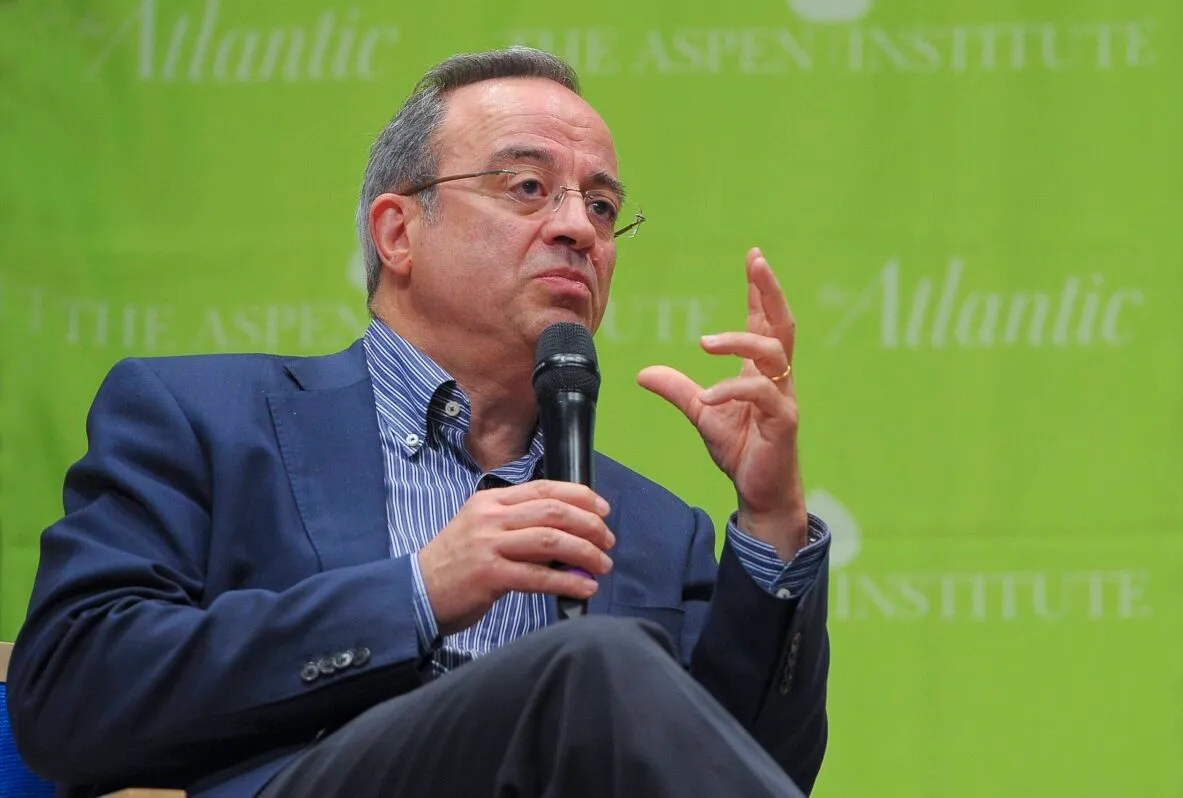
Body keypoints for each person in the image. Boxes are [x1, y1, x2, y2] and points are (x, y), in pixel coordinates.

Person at [7, 47, 832, 798]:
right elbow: (70, 693)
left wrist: (771, 521)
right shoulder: (204, 422)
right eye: (528, 187)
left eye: (604, 205)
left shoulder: (657, 532)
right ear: (398, 233)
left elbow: (747, 768)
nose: (579, 228)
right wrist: (417, 593)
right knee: (593, 660)